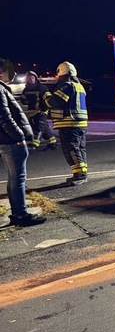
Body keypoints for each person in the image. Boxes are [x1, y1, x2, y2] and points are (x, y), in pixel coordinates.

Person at [0, 59, 46, 226]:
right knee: (18, 178)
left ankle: (17, 213)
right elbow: (4, 118)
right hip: (12, 142)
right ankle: (21, 215)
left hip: (7, 142)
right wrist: (19, 137)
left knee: (14, 178)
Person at [44, 61, 88, 186]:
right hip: (79, 123)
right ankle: (81, 173)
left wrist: (46, 95)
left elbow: (54, 102)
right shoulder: (78, 85)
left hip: (69, 123)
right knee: (79, 149)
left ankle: (80, 175)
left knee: (71, 149)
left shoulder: (66, 85)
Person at [22, 71, 58, 150]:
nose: (31, 79)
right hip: (32, 111)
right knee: (44, 127)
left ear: (35, 78)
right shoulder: (26, 89)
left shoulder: (41, 88)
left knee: (38, 127)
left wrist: (45, 107)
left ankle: (34, 144)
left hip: (42, 111)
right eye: (29, 78)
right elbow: (23, 99)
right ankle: (53, 143)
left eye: (32, 77)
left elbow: (48, 98)